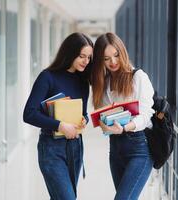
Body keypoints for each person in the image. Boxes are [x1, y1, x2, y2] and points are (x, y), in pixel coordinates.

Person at [23, 32, 93, 200]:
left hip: (75, 147)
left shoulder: (83, 81)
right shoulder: (47, 77)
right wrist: (60, 125)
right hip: (51, 149)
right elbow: (29, 114)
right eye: (82, 56)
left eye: (89, 57)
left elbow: (83, 113)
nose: (86, 61)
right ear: (69, 53)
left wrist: (84, 120)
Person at [90, 32, 154, 200]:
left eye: (116, 55)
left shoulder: (138, 77)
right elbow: (104, 114)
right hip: (116, 148)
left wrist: (125, 127)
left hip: (139, 148)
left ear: (122, 52)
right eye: (106, 58)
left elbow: (146, 114)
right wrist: (105, 125)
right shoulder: (104, 83)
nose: (113, 62)